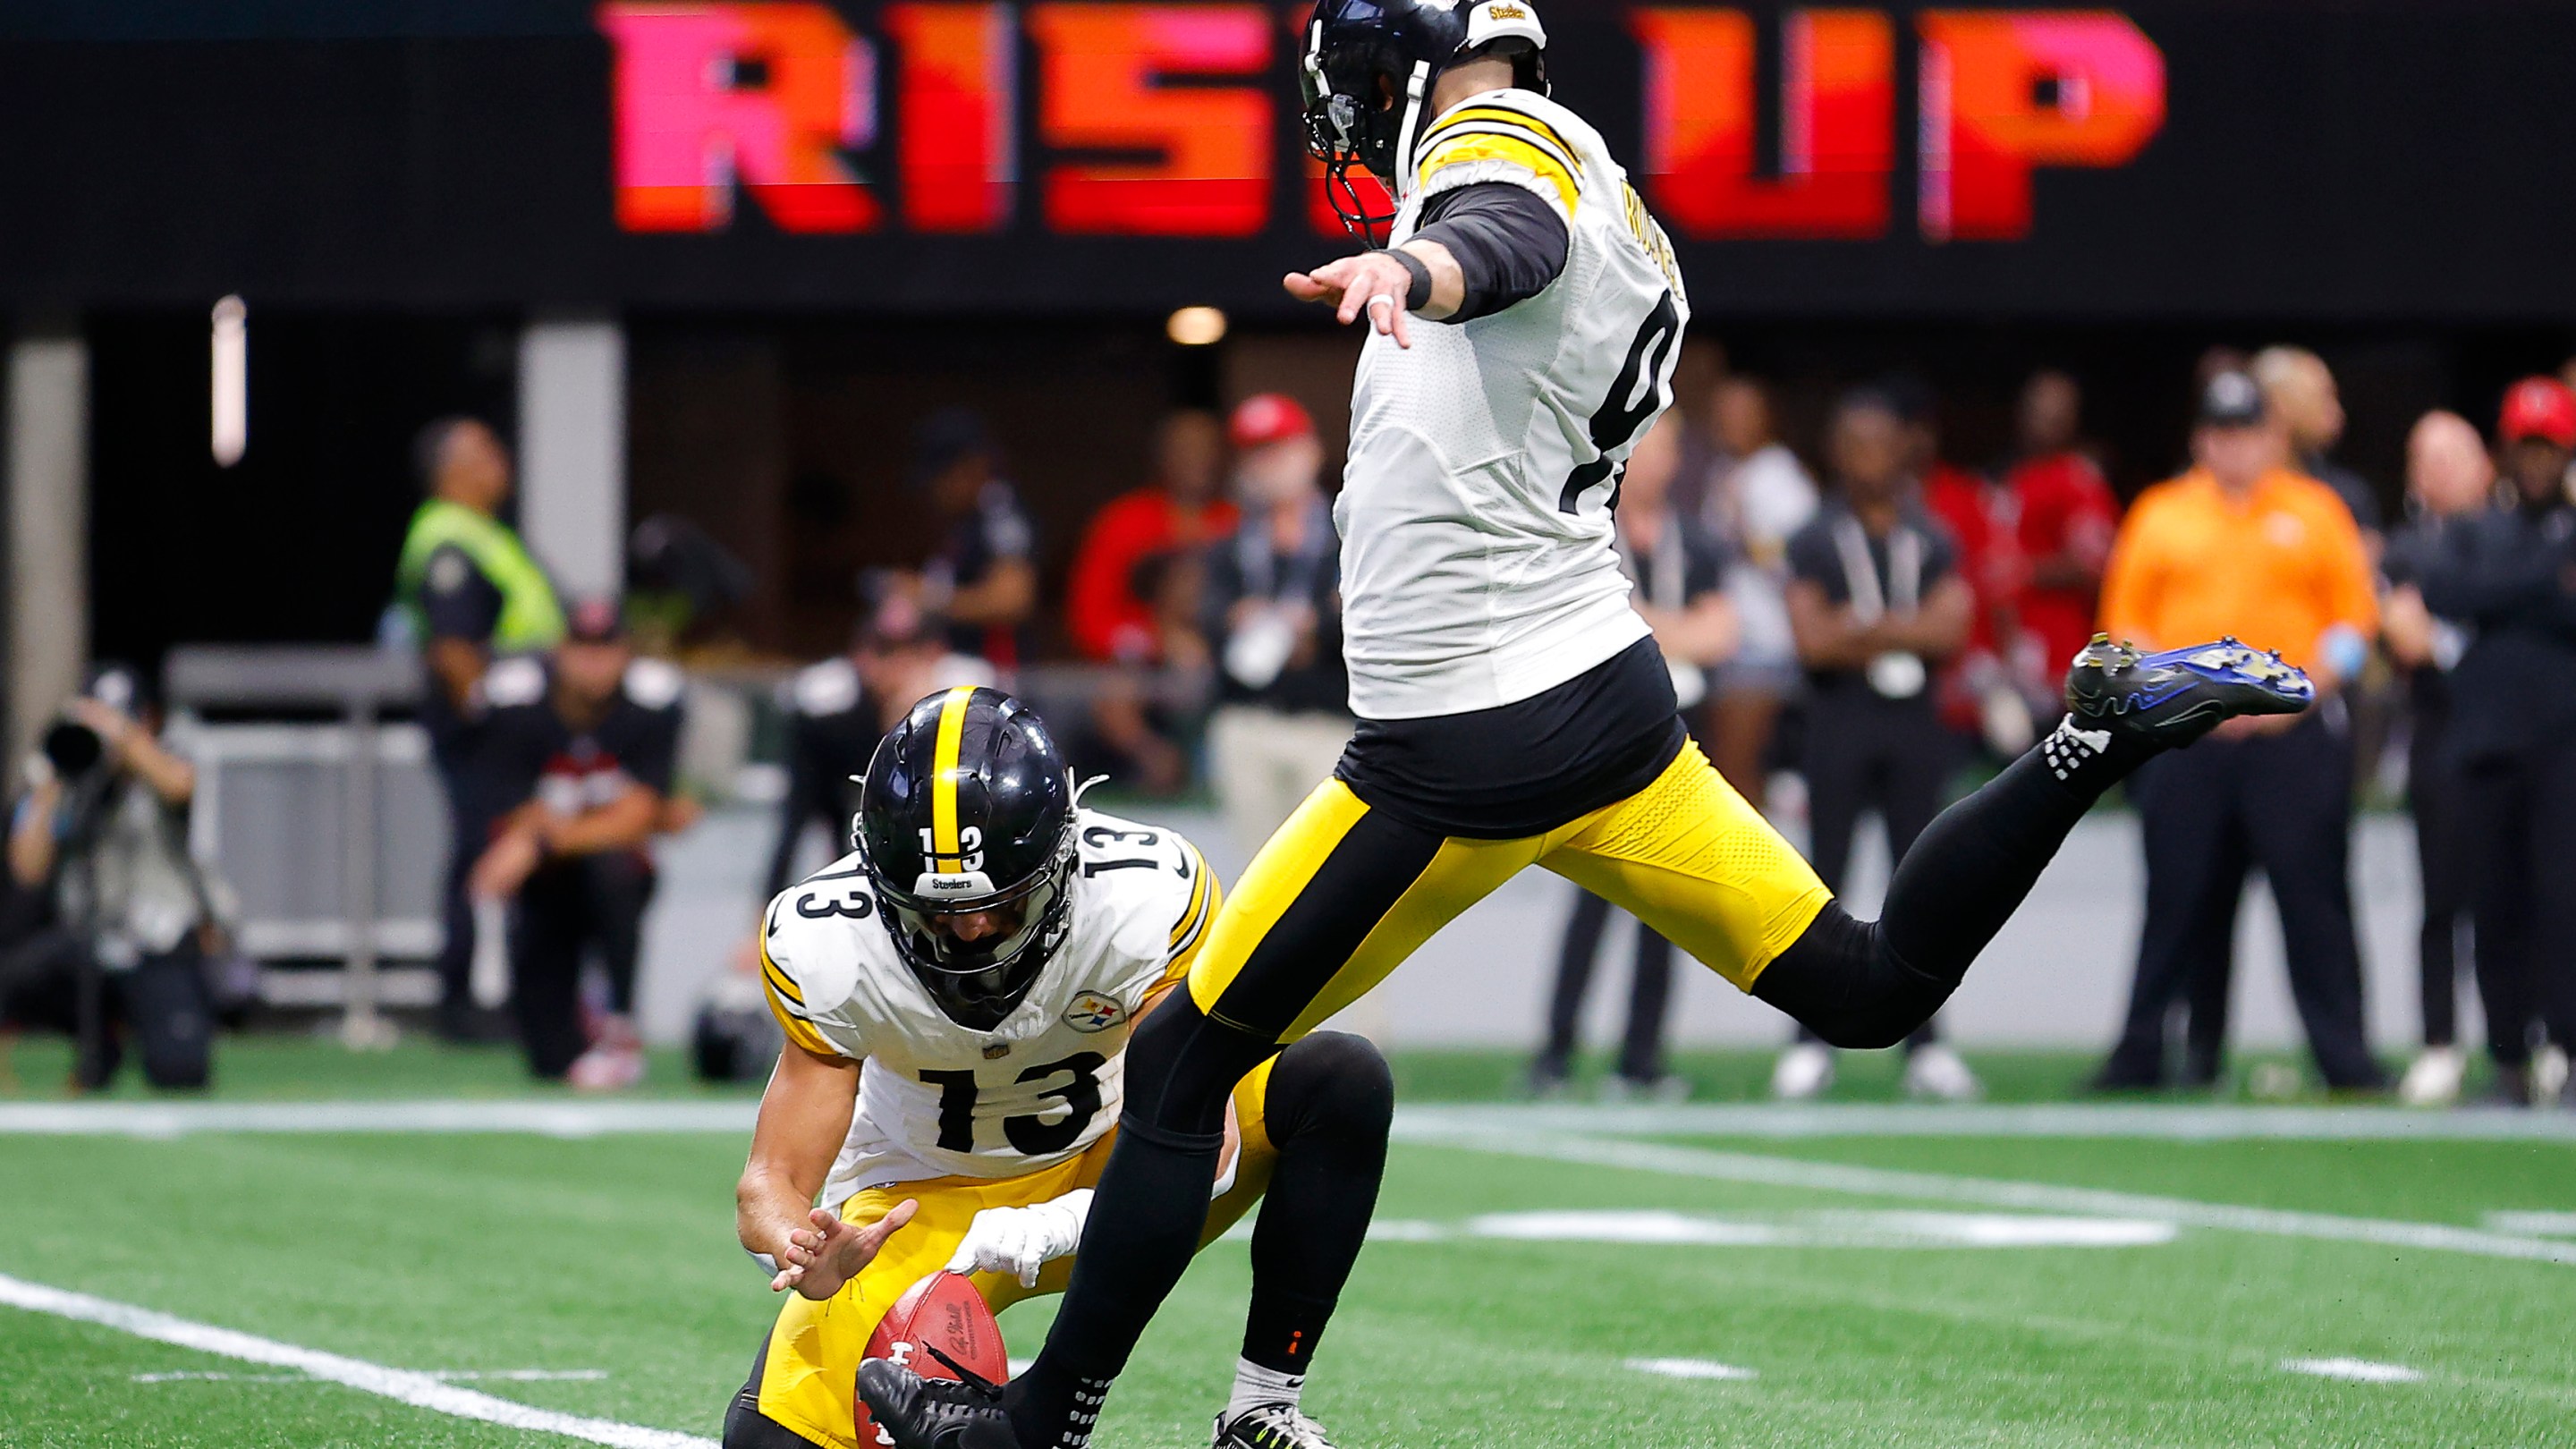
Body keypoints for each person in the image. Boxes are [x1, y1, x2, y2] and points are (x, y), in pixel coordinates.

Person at [858, 7, 2311, 1444]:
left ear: (1425, 63)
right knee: (1867, 985)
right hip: (1599, 697)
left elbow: (1506, 231)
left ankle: (1041, 1424)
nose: (1356, 109)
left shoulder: (1497, 142)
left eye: (1369, 76)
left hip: (1459, 737)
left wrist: (1420, 266)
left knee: (1185, 1067)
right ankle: (2094, 741)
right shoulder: (1603, 175)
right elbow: (1536, 244)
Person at [730, 688, 1391, 1449]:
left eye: (1001, 905)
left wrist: (1050, 1225)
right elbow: (767, 1184)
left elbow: (1209, 1143)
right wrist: (796, 1247)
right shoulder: (826, 941)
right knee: (767, 1442)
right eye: (935, 912)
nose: (972, 929)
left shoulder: (1141, 893)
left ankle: (1261, 1407)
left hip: (1131, 1164)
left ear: (1061, 858)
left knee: (1337, 1079)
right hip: (924, 1206)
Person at [2091, 370, 2384, 1092]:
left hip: (2290, 736)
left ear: (2272, 438)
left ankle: (2345, 1059)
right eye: (2221, 433)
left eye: (2247, 432)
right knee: (2178, 900)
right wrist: (2176, 696)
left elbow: (2354, 618)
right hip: (2190, 737)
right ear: (2201, 439)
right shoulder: (2162, 512)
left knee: (2314, 901)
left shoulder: (2315, 509)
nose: (2234, 448)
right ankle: (2149, 1053)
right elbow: (2125, 621)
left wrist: (2316, 686)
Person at [1772, 390, 1982, 1104]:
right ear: (1836, 453)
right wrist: (1903, 626)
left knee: (1922, 884)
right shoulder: (1813, 535)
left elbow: (1952, 630)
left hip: (1914, 724)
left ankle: (1926, 1047)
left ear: (1902, 450)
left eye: (1880, 443)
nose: (1869, 458)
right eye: (1854, 444)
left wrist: (1861, 627)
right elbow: (1812, 640)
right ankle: (1808, 1042)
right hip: (1839, 720)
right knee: (1819, 882)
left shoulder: (1931, 533)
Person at [1528, 412, 1734, 1101]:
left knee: (1669, 904)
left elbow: (1723, 632)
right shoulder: (1587, 529)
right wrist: (1677, 632)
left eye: (1671, 447)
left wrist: (1650, 629)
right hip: (1601, 734)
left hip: (1678, 736)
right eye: (1652, 444)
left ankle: (1641, 1057)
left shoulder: (1695, 541)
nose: (1661, 460)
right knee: (1591, 901)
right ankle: (1555, 1052)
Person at [2411, 377, 2576, 1106]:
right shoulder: (2479, 530)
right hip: (2485, 746)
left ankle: (2569, 1052)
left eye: (2550, 447)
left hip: (2565, 748)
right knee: (2494, 907)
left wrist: (2499, 596)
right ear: (2507, 451)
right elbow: (2443, 592)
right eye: (2527, 447)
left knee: (2565, 903)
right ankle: (2509, 1058)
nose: (2537, 462)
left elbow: (2472, 597)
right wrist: (2545, 586)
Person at [392, 417, 565, 1041]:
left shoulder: (485, 533)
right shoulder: (449, 539)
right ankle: (468, 1002)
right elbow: (454, 646)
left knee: (504, 852)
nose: (501, 461)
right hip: (486, 735)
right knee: (482, 850)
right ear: (451, 470)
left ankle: (512, 994)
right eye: (483, 453)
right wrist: (488, 719)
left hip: (510, 730)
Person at [468, 599, 685, 1087]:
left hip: (613, 880)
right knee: (547, 1059)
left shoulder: (651, 705)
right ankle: (568, 1023)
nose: (594, 663)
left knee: (611, 869)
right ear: (560, 652)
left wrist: (543, 840)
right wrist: (536, 839)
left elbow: (641, 814)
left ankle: (618, 1024)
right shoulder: (516, 705)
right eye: (583, 649)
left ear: (625, 653)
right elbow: (507, 801)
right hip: (545, 888)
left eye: (606, 649)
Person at [4, 666, 217, 1089]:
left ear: (148, 720)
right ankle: (101, 1043)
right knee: (14, 978)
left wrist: (123, 738)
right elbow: (27, 869)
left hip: (158, 945)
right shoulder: (71, 774)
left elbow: (179, 786)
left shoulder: (167, 759)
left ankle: (142, 1035)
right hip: (89, 949)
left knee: (180, 1072)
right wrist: (54, 774)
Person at [2379, 411, 2494, 1106]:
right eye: (2426, 458)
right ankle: (2440, 1044)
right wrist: (2490, 638)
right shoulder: (2407, 548)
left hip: (2520, 742)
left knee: (2526, 897)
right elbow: (2410, 639)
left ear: (2485, 464)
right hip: (2441, 734)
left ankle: (2533, 1042)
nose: (2439, 470)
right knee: (2441, 899)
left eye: (2453, 455)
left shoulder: (2520, 538)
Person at [1202, 394, 1352, 860]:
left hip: (1330, 724)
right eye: (1254, 452)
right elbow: (1204, 619)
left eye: (1278, 448)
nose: (1267, 464)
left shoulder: (1350, 532)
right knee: (1259, 869)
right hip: (1250, 719)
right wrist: (1234, 619)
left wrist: (1321, 626)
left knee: (1330, 867)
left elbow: (1385, 615)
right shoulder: (1231, 542)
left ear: (1310, 450)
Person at [1696, 374, 1818, 807]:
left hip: (1770, 642)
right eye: (1722, 413)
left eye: (1741, 413)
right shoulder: (1724, 471)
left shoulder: (1779, 474)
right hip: (1731, 639)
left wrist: (1746, 528)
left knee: (1739, 770)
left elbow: (1800, 558)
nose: (1729, 422)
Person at [2002, 370, 2121, 708]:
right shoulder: (2017, 475)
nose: (2046, 419)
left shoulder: (2077, 479)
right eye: (2038, 409)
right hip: (2016, 648)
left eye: (2057, 411)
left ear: (2073, 419)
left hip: (2063, 649)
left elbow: (2097, 567)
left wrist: (2029, 570)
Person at [910, 409, 1038, 673]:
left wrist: (928, 598)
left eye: (942, 478)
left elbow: (1012, 600)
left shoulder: (1000, 512)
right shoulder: (964, 520)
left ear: (972, 465)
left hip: (994, 676)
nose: (935, 491)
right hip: (953, 664)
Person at [2252, 346, 2384, 549]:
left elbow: (2360, 575)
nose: (2336, 413)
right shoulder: (2228, 489)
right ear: (2279, 404)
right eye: (2322, 396)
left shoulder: (2346, 497)